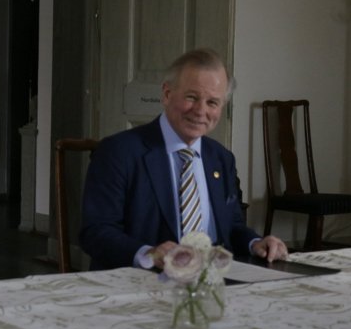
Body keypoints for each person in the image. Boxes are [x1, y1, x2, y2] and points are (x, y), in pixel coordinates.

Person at [79, 48, 287, 271]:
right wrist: (148, 253)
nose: (200, 111)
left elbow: (232, 226)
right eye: (191, 97)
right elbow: (96, 232)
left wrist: (255, 242)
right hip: (143, 282)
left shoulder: (221, 159)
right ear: (167, 94)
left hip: (213, 280)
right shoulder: (119, 152)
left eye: (212, 103)